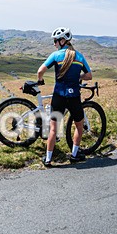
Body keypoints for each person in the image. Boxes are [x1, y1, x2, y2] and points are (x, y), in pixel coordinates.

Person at [37, 27, 93, 166]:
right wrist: (77, 77)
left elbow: (40, 71)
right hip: (74, 96)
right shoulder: (79, 56)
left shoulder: (56, 55)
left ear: (62, 41)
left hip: (59, 96)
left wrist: (40, 80)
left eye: (55, 41)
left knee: (54, 129)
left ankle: (48, 159)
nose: (54, 44)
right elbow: (89, 76)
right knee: (79, 127)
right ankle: (74, 155)